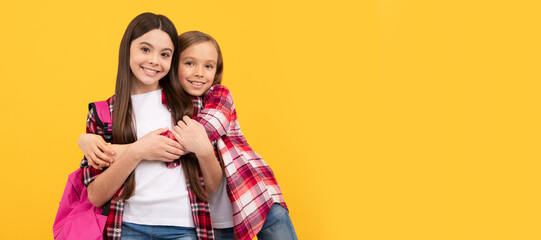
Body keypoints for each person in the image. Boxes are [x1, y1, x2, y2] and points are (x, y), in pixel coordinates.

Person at [80, 30, 297, 240]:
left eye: (208, 66)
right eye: (190, 63)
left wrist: (112, 147)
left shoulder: (215, 97)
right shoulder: (158, 105)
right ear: (174, 67)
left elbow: (186, 138)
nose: (199, 72)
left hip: (252, 194)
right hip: (212, 218)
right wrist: (91, 140)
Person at [80, 13, 220, 240]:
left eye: (165, 54)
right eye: (145, 49)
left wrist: (203, 149)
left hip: (185, 229)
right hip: (126, 229)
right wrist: (137, 151)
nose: (155, 60)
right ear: (127, 50)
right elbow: (95, 195)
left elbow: (213, 186)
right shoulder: (103, 113)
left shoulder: (192, 105)